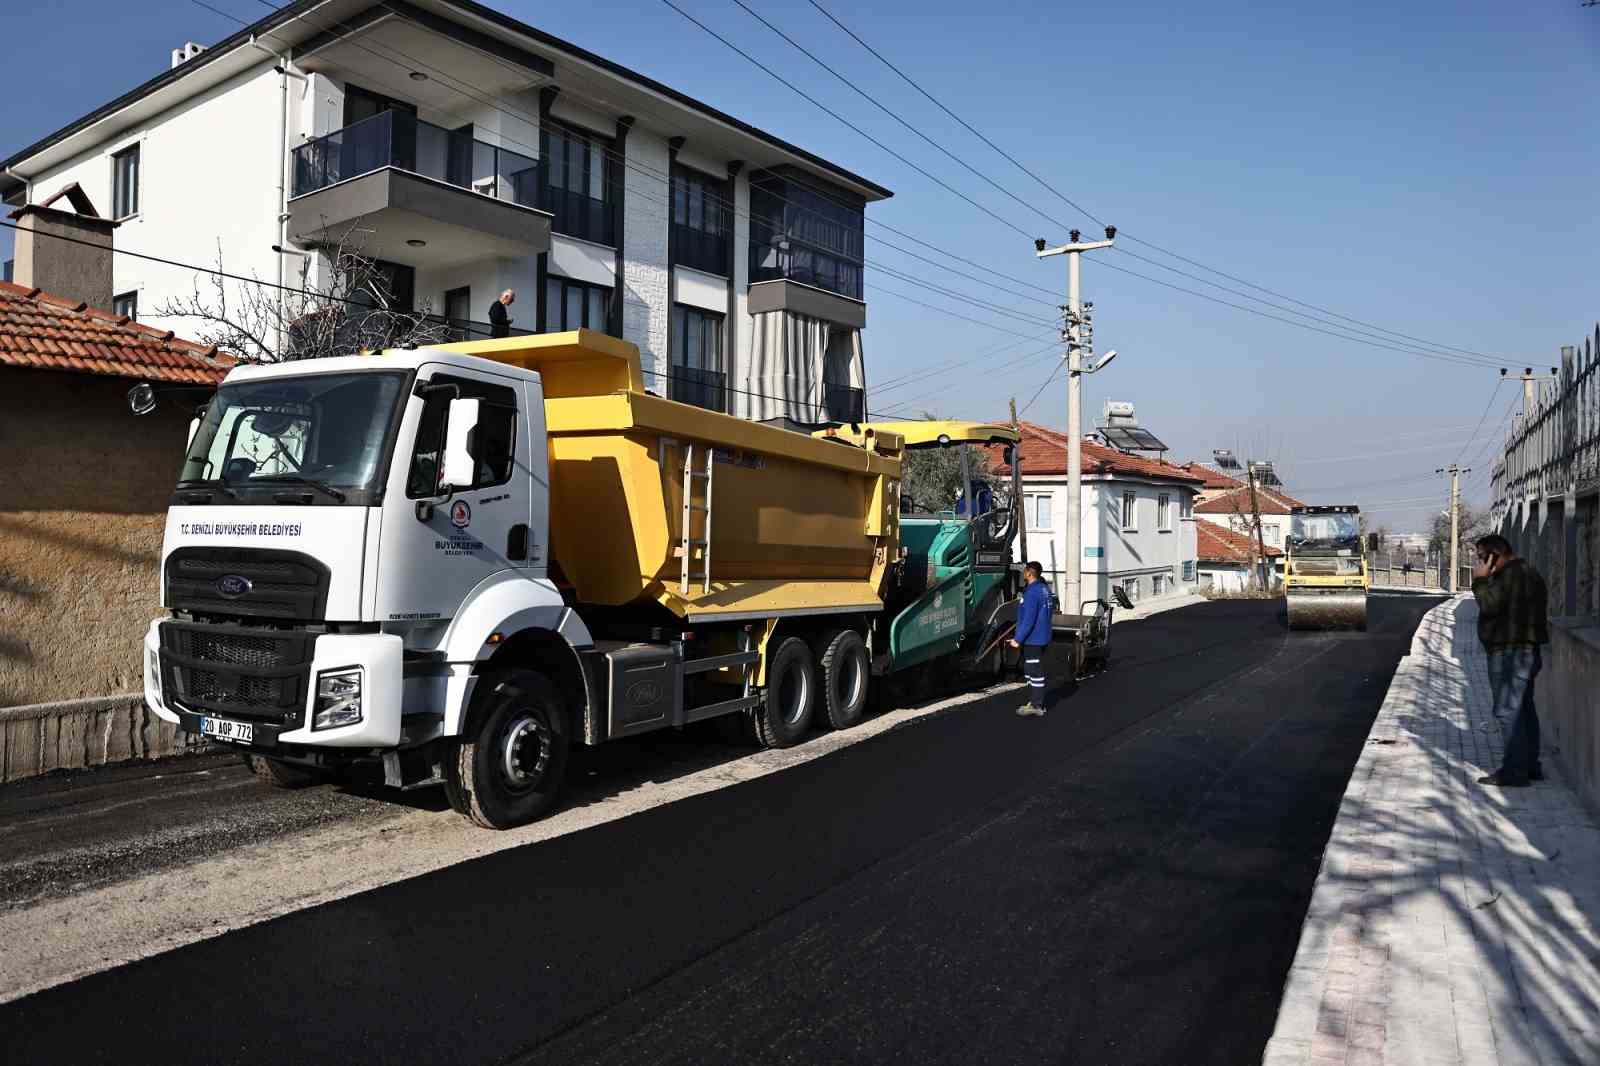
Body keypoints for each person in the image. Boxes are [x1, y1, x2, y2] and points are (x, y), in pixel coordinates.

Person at [1471, 533, 1549, 788]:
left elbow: (1489, 605)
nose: (1479, 563)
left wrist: (1480, 581)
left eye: (1482, 558)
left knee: (1506, 711)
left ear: (1495, 555)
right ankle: (1530, 765)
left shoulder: (1509, 576)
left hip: (1509, 653)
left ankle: (1515, 772)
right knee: (1524, 708)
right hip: (1526, 651)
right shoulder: (1530, 573)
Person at [1010, 561, 1053, 717]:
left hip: (1033, 638)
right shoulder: (1044, 589)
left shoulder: (1032, 593)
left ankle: (1037, 705)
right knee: (1030, 668)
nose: (1022, 573)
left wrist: (1018, 639)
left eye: (1024, 570)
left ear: (1029, 573)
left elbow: (1029, 620)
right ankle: (1035, 701)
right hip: (1042, 636)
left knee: (1034, 670)